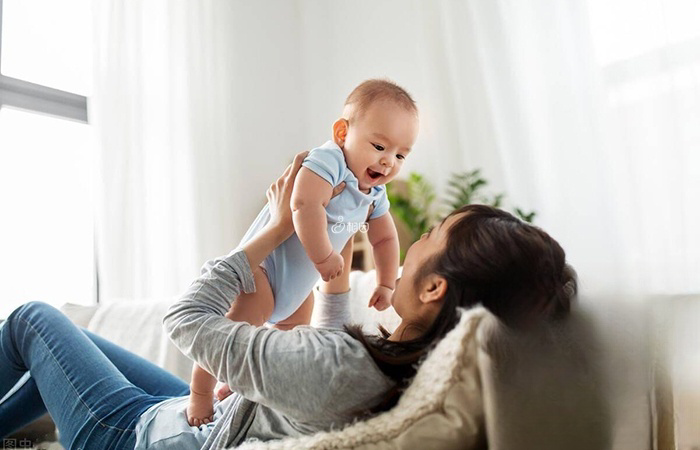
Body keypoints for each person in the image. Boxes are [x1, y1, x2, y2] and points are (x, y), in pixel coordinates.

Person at [0, 151, 577, 450]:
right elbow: (321, 369)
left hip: (134, 438)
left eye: (429, 237)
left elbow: (185, 319)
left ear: (434, 288)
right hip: (197, 418)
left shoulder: (340, 372)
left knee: (31, 319)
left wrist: (273, 231)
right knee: (78, 348)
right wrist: (333, 283)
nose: (412, 240)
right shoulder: (396, 368)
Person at [187, 78, 419, 425]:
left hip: (299, 289)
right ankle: (200, 394)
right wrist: (325, 256)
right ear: (343, 133)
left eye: (400, 155)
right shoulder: (328, 160)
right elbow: (303, 204)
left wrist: (386, 283)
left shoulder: (373, 194)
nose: (388, 162)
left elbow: (384, 239)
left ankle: (239, 388)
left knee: (290, 339)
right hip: (265, 271)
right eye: (378, 146)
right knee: (229, 336)